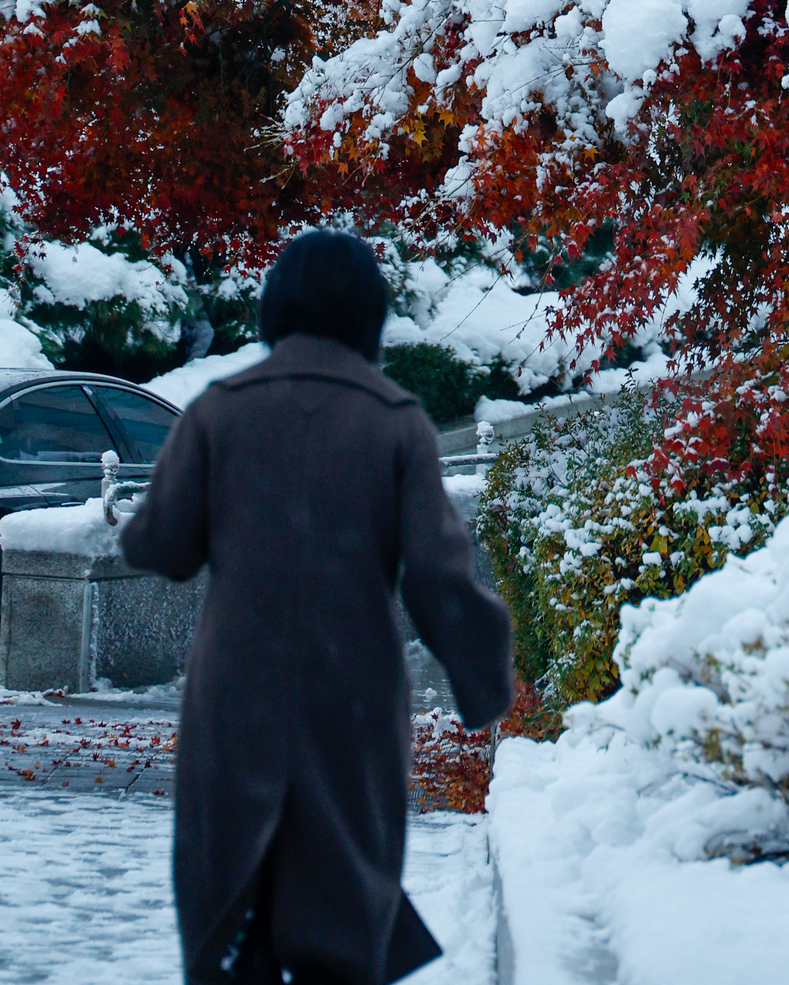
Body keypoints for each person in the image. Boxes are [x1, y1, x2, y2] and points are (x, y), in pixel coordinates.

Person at [121, 230, 513, 985]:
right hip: (352, 702)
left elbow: (161, 545)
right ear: (370, 312)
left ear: (276, 307)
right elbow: (439, 577)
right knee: (343, 906)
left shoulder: (219, 412)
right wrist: (483, 687)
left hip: (235, 698)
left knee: (230, 900)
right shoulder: (395, 420)